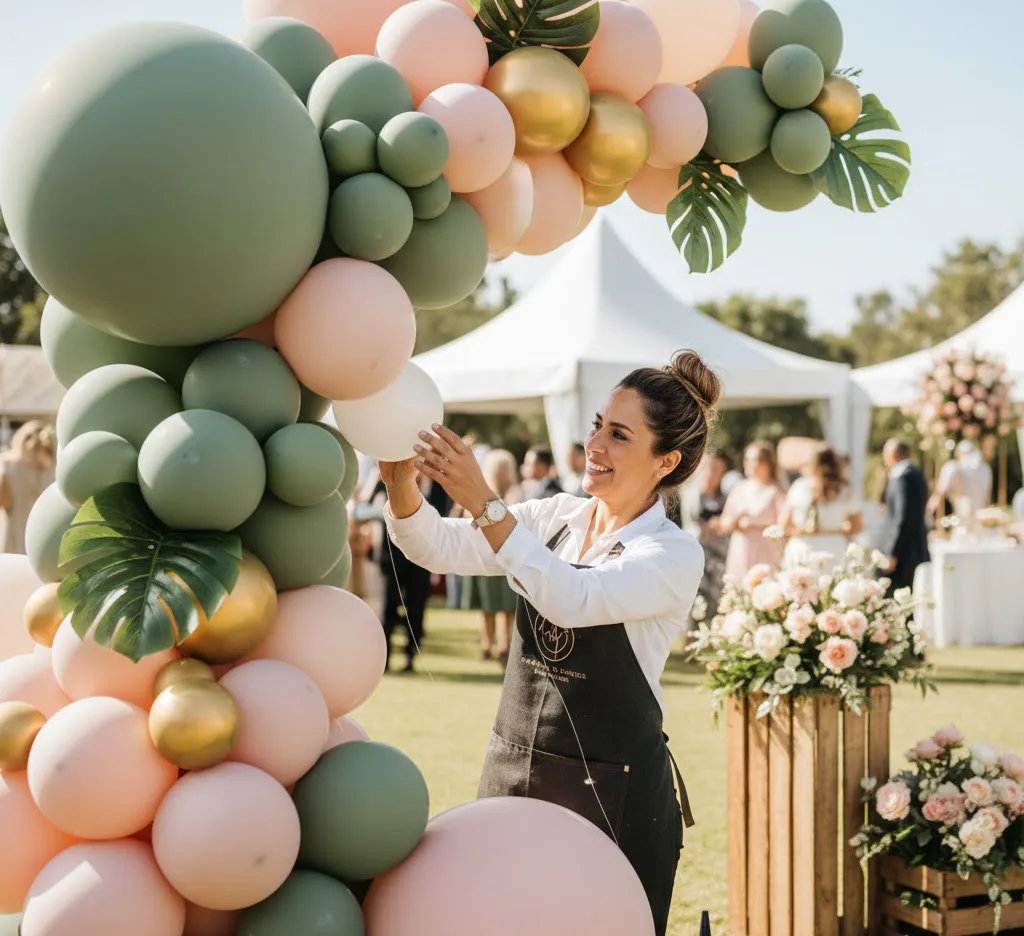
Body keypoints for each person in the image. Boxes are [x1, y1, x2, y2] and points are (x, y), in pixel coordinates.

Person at [381, 349, 715, 935]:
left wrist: (485, 502)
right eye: (597, 425)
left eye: (619, 435)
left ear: (666, 461)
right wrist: (398, 481)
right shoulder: (555, 516)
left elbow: (572, 598)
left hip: (614, 793)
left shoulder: (672, 553)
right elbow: (436, 546)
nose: (595, 444)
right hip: (514, 769)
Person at [372, 471, 452, 673]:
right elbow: (370, 507)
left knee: (416, 609)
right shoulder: (389, 480)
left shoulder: (438, 488)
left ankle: (410, 657)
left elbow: (442, 521)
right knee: (388, 608)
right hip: (392, 559)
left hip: (422, 562)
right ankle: (385, 658)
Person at [461, 449, 524, 666]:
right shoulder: (496, 491)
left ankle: (494, 645)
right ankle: (495, 645)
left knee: (498, 606)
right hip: (498, 555)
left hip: (498, 556)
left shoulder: (503, 492)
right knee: (498, 606)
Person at [781, 445, 862, 570]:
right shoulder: (845, 491)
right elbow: (857, 527)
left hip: (803, 548)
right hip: (834, 550)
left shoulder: (799, 487)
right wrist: (836, 531)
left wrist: (804, 531)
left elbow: (784, 525)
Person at [719, 441, 786, 581]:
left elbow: (784, 525)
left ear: (767, 463)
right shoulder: (738, 490)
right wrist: (732, 522)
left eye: (754, 459)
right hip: (741, 550)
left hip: (765, 551)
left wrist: (753, 525)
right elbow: (724, 521)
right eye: (747, 459)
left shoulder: (776, 492)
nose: (749, 464)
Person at [877, 438, 929, 595]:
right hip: (914, 548)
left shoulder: (903, 478)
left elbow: (902, 518)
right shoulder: (917, 475)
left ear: (892, 455)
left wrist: (892, 553)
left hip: (903, 553)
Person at [0, 420, 56, 554]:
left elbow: (4, 501)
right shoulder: (52, 466)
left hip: (14, 527)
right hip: (41, 531)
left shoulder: (8, 463)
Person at [928, 439, 992, 530]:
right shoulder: (985, 469)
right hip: (978, 517)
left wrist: (929, 510)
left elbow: (940, 492)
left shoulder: (952, 467)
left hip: (963, 515)